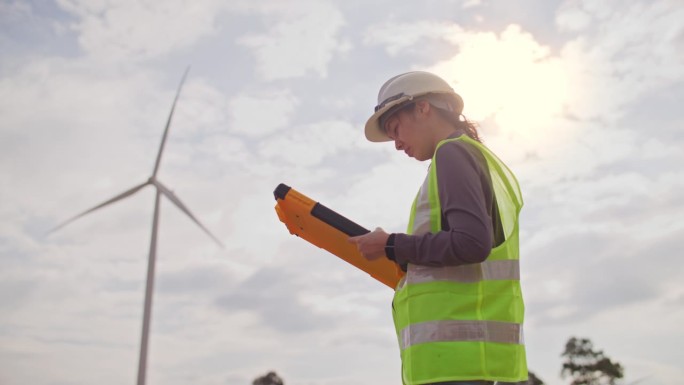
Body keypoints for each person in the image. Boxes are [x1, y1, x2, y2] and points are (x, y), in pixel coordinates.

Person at [349, 71, 528, 385]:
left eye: (395, 129)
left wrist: (390, 245)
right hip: (469, 361)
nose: (396, 144)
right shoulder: (470, 155)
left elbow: (471, 243)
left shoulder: (452, 153)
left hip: (455, 365)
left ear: (422, 108)